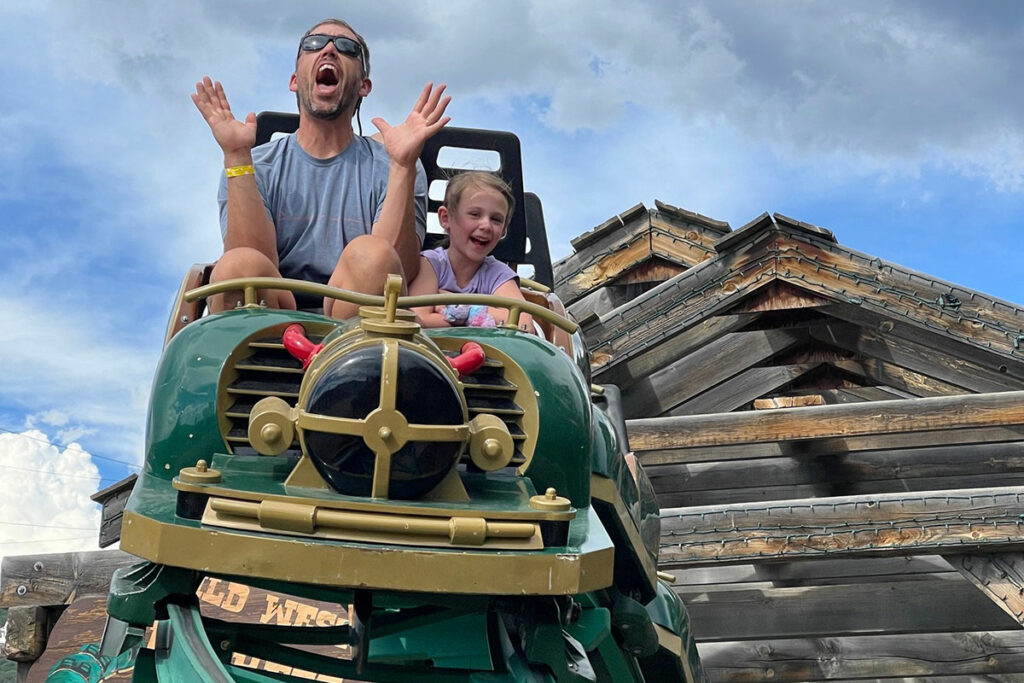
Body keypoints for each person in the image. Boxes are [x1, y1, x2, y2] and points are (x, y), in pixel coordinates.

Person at [191, 18, 450, 318]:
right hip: (274, 322)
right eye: (313, 44)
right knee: (237, 265)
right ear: (294, 81)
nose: (328, 49)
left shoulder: (394, 164)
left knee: (372, 255)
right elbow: (254, 268)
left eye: (347, 48)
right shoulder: (256, 166)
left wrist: (403, 167)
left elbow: (396, 271)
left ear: (364, 86)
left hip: (357, 331)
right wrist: (236, 157)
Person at [408, 171, 533, 331]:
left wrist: (462, 307)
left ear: (503, 230)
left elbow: (524, 324)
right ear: (445, 218)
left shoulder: (498, 274)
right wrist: (485, 318)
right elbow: (418, 320)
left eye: (496, 219)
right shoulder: (431, 264)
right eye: (475, 214)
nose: (486, 225)